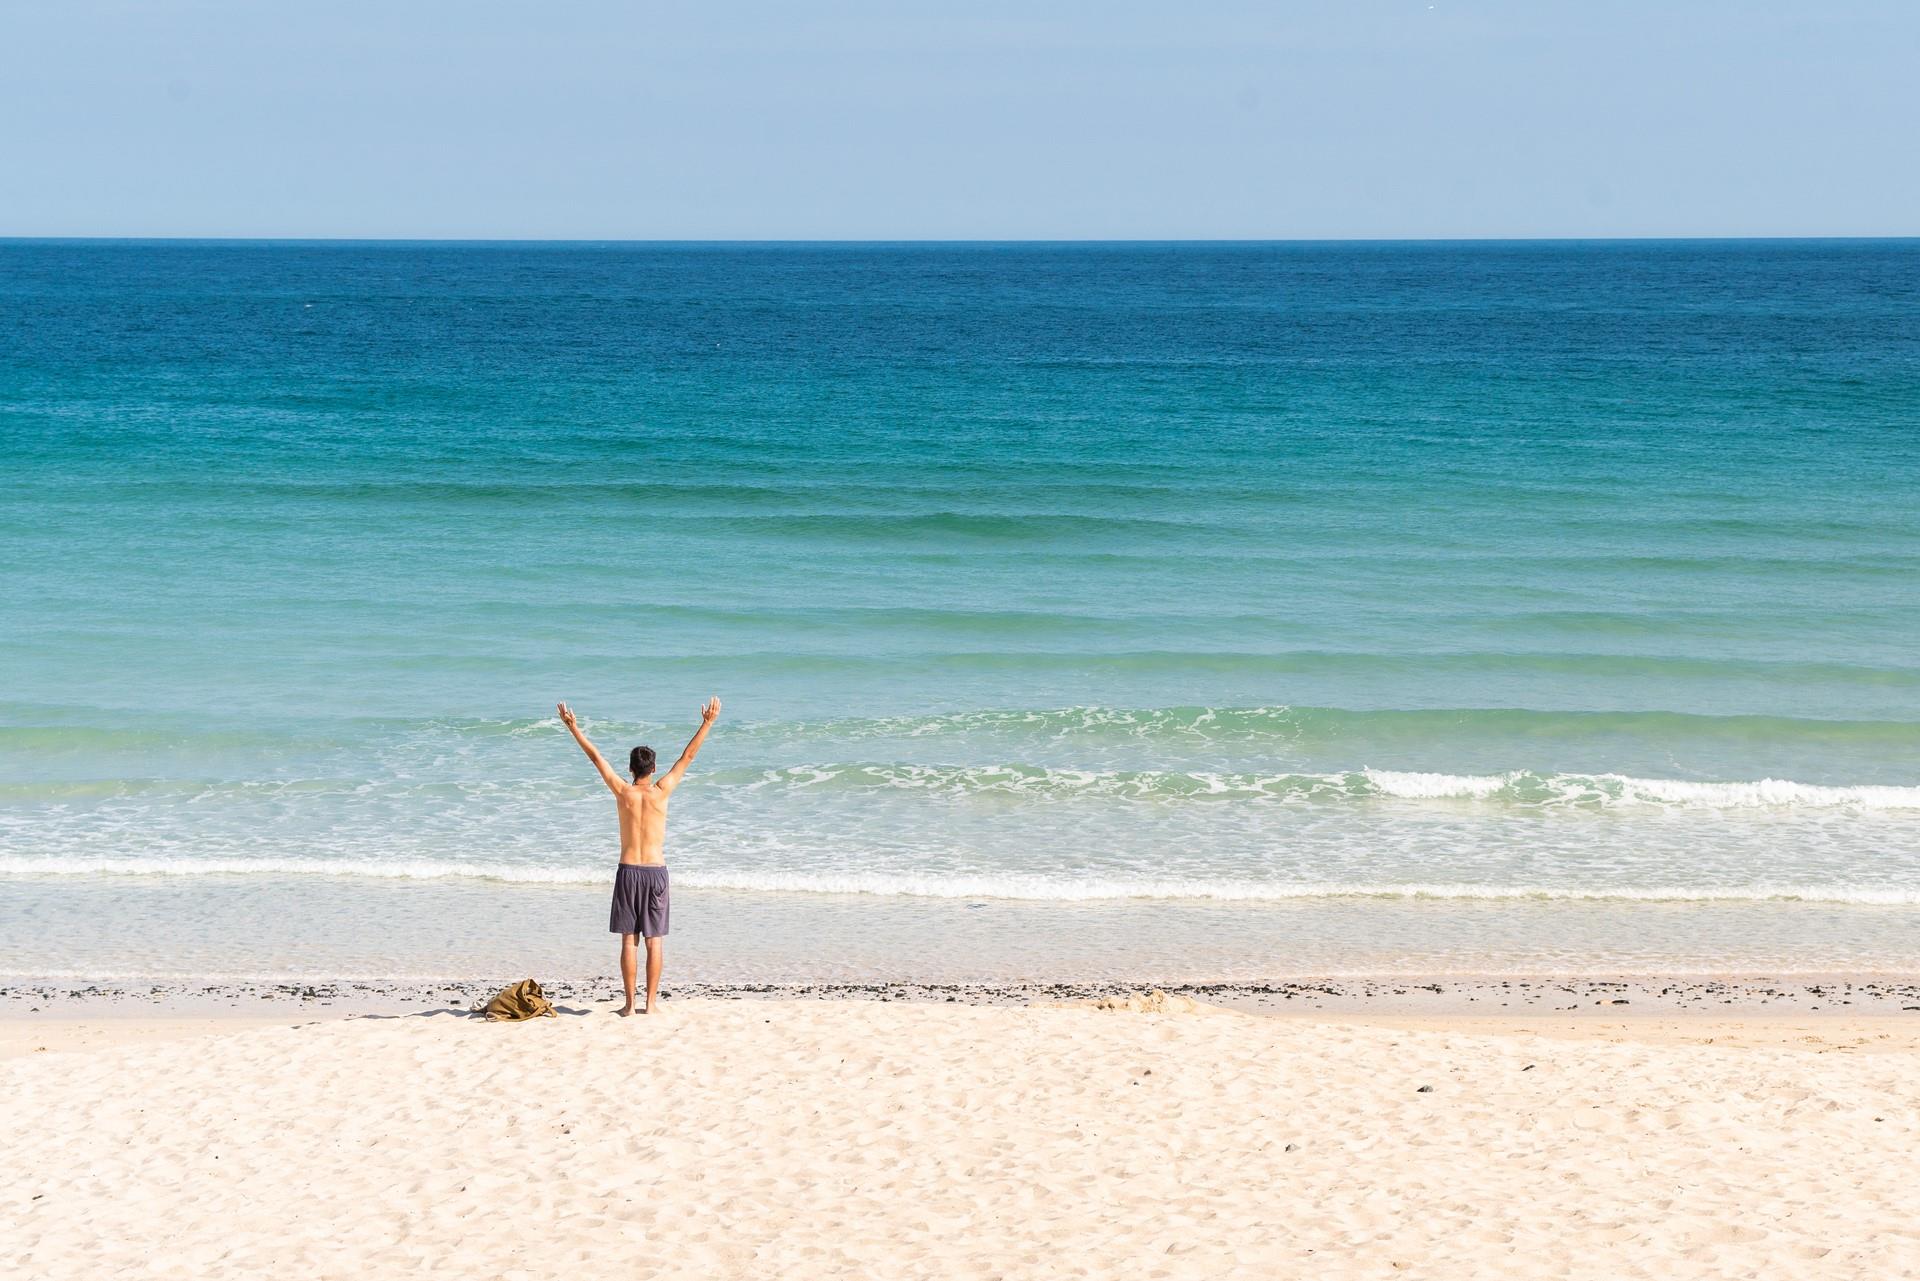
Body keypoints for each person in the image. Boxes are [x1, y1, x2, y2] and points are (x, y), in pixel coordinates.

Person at [556, 697, 720, 1017]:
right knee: (654, 942)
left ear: (631, 769)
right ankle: (651, 1004)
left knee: (628, 941)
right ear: (654, 768)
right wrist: (708, 722)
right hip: (656, 872)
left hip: (629, 870)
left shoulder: (622, 791)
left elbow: (595, 757)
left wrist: (573, 727)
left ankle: (629, 1006)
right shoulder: (663, 790)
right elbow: (688, 756)